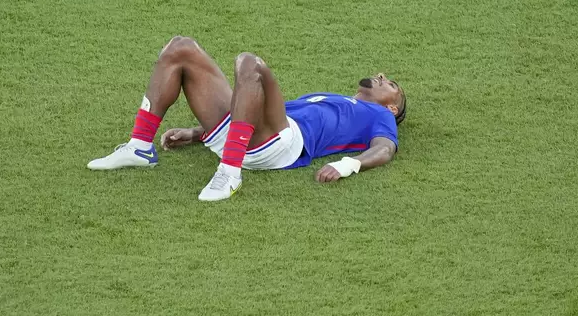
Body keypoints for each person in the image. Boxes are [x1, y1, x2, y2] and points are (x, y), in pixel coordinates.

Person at [87, 36, 406, 201]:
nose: (381, 76)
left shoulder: (380, 116)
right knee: (180, 48)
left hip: (282, 145)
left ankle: (229, 174)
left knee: (249, 64)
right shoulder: (336, 100)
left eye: (390, 84)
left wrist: (349, 165)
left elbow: (385, 149)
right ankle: (139, 146)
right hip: (252, 136)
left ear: (392, 108)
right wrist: (198, 132)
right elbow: (251, 105)